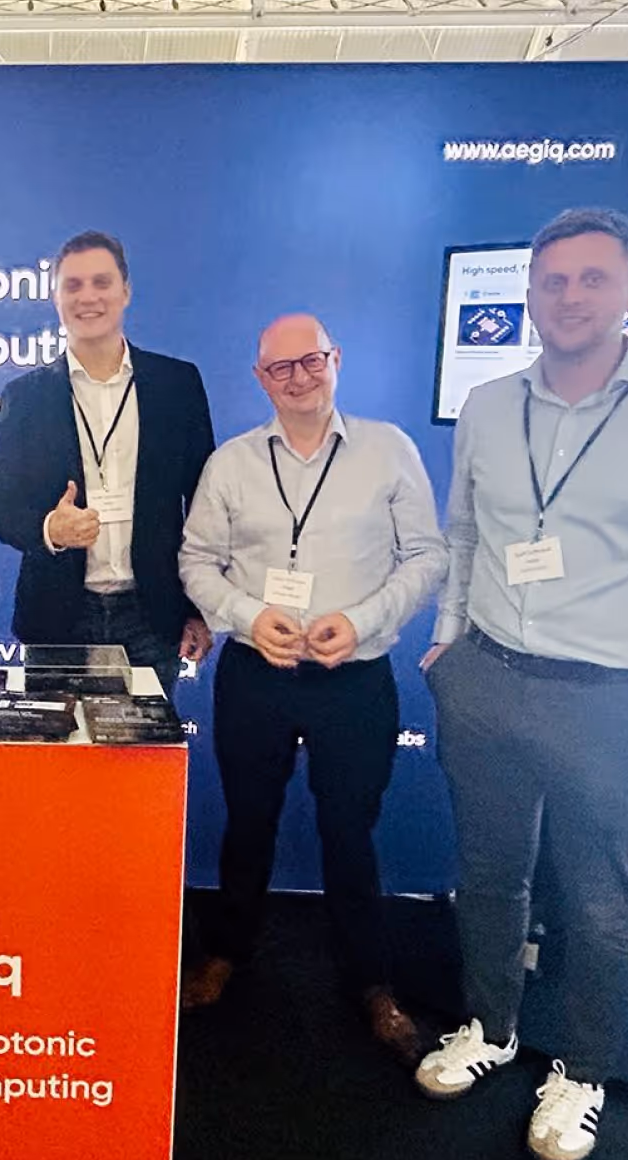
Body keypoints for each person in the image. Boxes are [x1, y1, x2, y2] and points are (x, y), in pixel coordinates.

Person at [414, 208, 628, 1160]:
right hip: (487, 680)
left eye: (592, 279)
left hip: (615, 702)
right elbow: (465, 534)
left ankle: (582, 1073)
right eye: (552, 281)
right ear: (528, 295)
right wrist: (447, 645)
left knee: (601, 903)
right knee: (489, 877)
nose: (569, 297)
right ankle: (490, 1028)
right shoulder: (489, 405)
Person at [177, 314, 447, 1063]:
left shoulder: (388, 449)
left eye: (311, 361)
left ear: (336, 361)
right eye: (280, 368)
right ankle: (226, 953)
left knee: (349, 832)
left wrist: (361, 622)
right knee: (248, 824)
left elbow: (426, 556)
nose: (298, 378)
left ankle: (370, 981)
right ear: (260, 379)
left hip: (352, 678)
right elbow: (196, 561)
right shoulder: (231, 463)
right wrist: (245, 616)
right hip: (254, 674)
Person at [0, 230, 215, 695]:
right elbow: (4, 510)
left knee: (144, 744)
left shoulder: (177, 384)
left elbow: (206, 503)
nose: (87, 297)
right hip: (57, 619)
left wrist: (199, 607)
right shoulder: (24, 397)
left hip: (153, 615)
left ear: (125, 291)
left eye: (101, 282)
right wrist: (50, 528)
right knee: (57, 745)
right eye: (72, 285)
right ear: (55, 298)